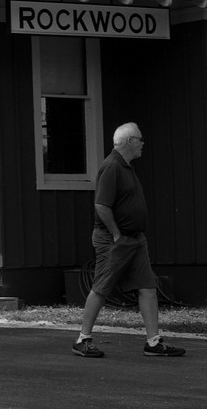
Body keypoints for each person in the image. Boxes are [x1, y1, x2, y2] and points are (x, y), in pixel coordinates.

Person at [73, 122, 185, 359]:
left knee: (147, 287)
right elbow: (101, 205)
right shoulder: (112, 166)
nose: (143, 143)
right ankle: (83, 339)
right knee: (102, 287)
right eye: (140, 139)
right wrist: (116, 234)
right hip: (114, 239)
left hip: (136, 239)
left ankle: (153, 342)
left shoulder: (127, 167)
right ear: (129, 141)